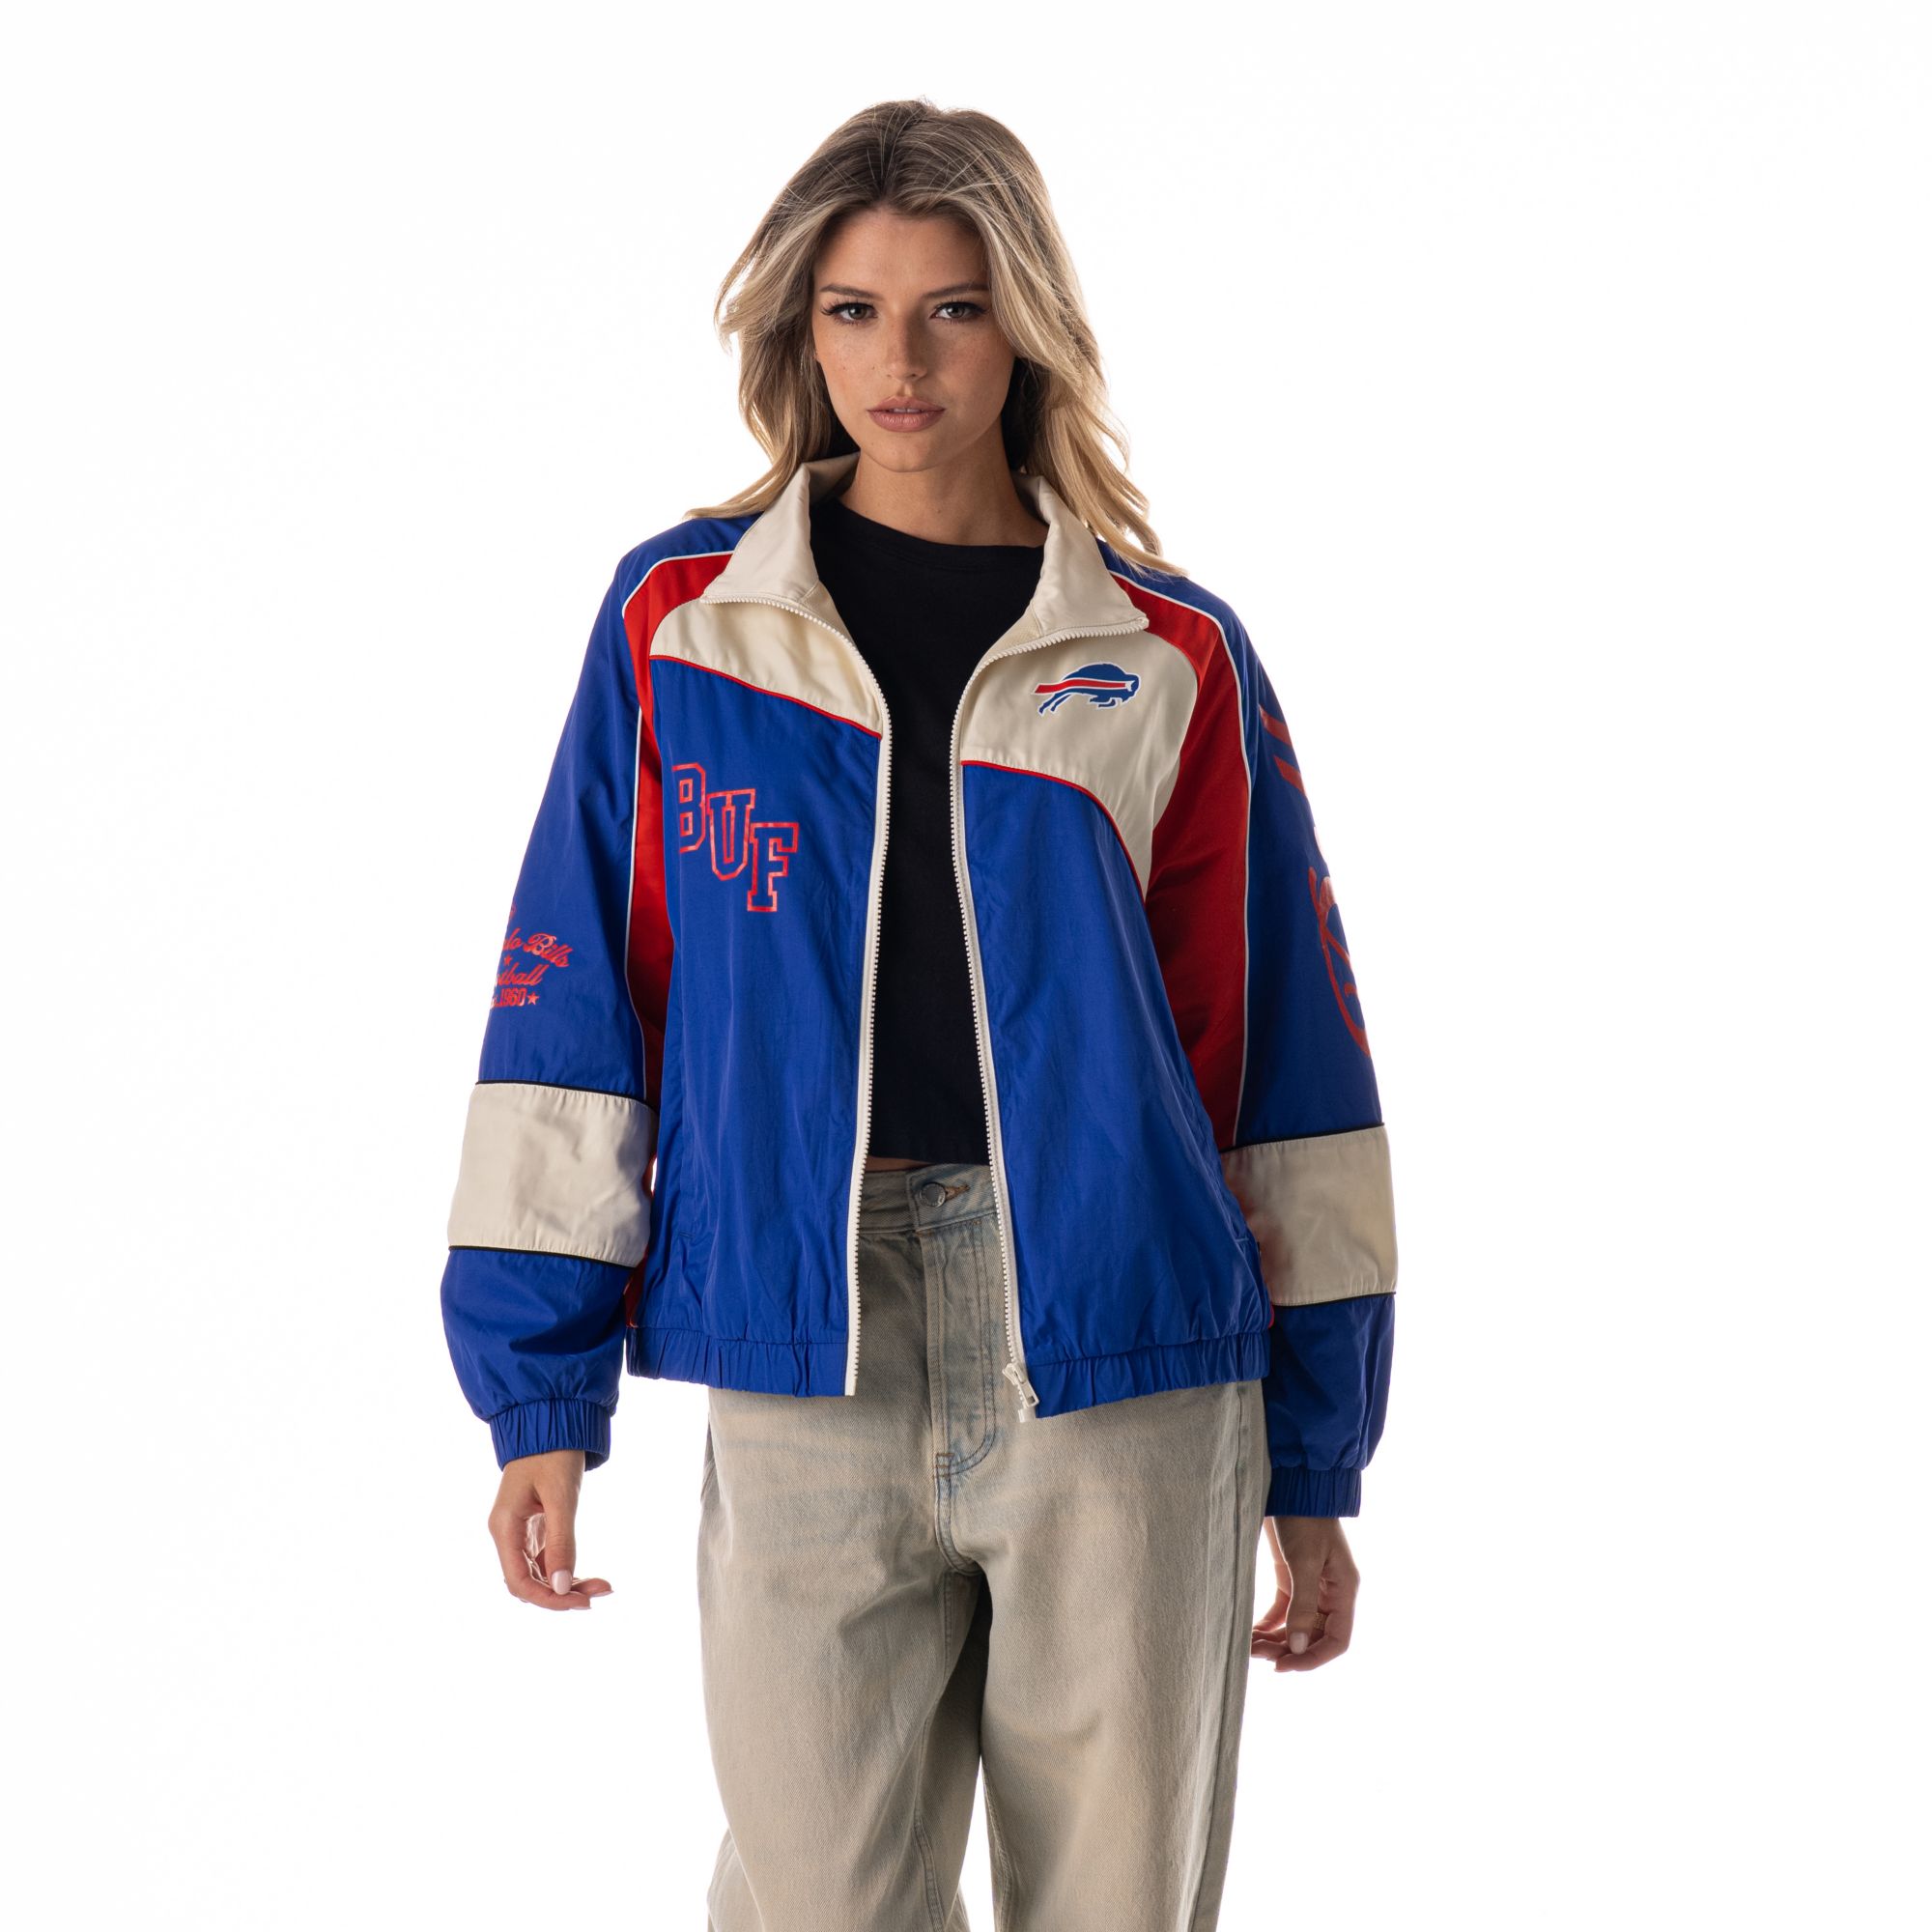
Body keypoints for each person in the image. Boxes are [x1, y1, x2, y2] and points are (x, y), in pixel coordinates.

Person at [440, 96, 1399, 1932]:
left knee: (1116, 1904)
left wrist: (1315, 1446)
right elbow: (577, 1001)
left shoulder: (1170, 653)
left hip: (1121, 1341)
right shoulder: (683, 624)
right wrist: (539, 1387)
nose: (904, 361)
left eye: (954, 308)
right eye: (856, 311)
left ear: (1023, 325)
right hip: (806, 1327)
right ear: (800, 333)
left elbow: (1283, 1056)